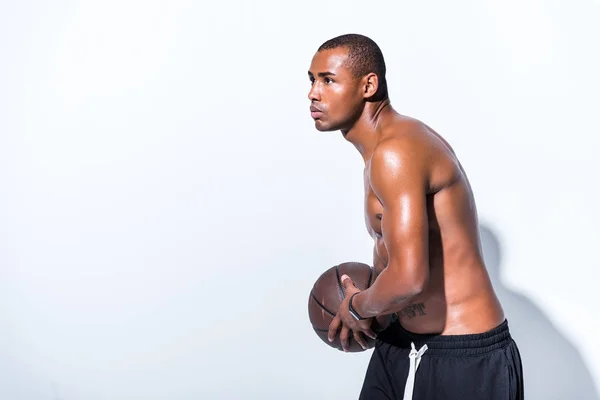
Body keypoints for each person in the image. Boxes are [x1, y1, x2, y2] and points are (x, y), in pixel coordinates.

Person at [307, 33, 524, 400]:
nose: (313, 93)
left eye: (328, 80)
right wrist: (373, 305)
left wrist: (357, 307)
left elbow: (409, 279)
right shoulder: (379, 152)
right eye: (311, 80)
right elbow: (392, 259)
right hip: (400, 342)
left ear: (368, 85)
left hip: (462, 356)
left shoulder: (398, 151)